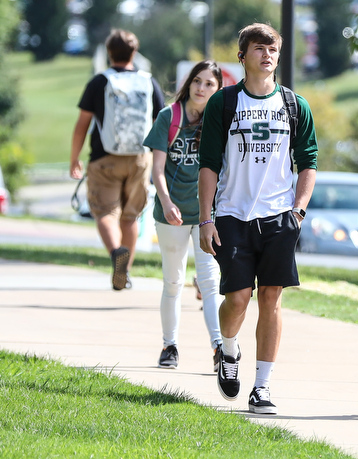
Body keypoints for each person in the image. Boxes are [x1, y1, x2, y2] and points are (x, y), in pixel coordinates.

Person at [197, 23, 318, 415]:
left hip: (279, 217)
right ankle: (228, 350)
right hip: (232, 215)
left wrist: (298, 210)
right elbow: (209, 165)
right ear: (242, 55)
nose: (267, 55)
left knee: (271, 297)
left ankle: (262, 387)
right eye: (259, 48)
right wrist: (205, 219)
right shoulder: (224, 103)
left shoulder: (294, 105)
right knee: (237, 298)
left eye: (273, 49)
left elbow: (308, 163)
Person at [142, 60, 224, 372]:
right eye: (198, 82)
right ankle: (169, 345)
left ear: (217, 89)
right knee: (173, 281)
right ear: (189, 83)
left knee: (210, 282)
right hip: (171, 214)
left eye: (209, 84)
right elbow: (157, 169)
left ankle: (219, 347)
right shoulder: (169, 116)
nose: (202, 88)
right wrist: (166, 202)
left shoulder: (217, 120)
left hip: (206, 215)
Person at [69, 29, 165, 291]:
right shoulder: (149, 81)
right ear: (134, 52)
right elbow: (162, 123)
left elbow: (82, 125)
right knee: (131, 217)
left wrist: (74, 159)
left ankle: (115, 253)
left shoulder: (99, 82)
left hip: (105, 158)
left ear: (109, 53)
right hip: (139, 158)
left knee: (104, 212)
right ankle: (126, 272)